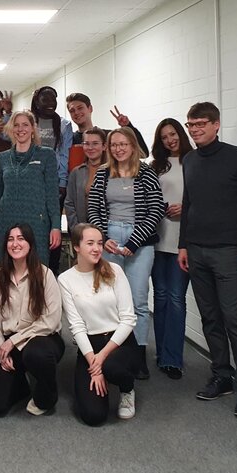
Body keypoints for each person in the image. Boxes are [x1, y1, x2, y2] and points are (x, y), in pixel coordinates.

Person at [177, 101, 237, 418]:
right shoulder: (189, 160)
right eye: (191, 124)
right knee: (210, 318)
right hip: (197, 251)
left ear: (216, 124)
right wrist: (184, 245)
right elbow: (188, 204)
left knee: (234, 319)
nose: (195, 129)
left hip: (229, 252)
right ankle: (222, 376)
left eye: (201, 123)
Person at [87, 127, 164, 379]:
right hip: (109, 239)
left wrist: (133, 242)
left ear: (133, 146)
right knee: (110, 300)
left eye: (123, 144)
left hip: (139, 242)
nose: (118, 149)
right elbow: (94, 209)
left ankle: (138, 356)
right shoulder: (103, 173)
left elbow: (155, 210)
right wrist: (104, 238)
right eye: (114, 145)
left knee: (139, 300)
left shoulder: (147, 173)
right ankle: (113, 351)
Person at [0, 224, 64, 418]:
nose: (15, 244)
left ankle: (47, 396)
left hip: (41, 339)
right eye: (11, 239)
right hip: (8, 345)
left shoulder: (45, 275)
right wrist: (0, 350)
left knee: (36, 354)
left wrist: (13, 341)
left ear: (30, 244)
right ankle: (21, 383)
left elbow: (51, 321)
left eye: (21, 239)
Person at [59, 223, 139, 426]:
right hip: (90, 346)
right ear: (76, 246)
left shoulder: (114, 270)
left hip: (119, 342)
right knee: (93, 416)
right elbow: (76, 326)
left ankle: (127, 388)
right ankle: (103, 372)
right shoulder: (65, 279)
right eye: (90, 243)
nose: (97, 248)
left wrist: (100, 361)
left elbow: (128, 319)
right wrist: (92, 361)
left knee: (111, 366)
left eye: (100, 243)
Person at [150, 118, 194, 380]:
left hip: (183, 242)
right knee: (161, 297)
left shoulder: (193, 161)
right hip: (158, 238)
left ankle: (173, 359)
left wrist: (185, 208)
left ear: (181, 134)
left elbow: (202, 198)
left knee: (177, 298)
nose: (170, 139)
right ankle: (161, 354)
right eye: (164, 136)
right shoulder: (156, 166)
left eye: (173, 134)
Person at [0, 111, 61, 267]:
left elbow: (52, 195)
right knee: (3, 269)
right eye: (16, 125)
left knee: (36, 270)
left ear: (32, 129)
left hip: (36, 222)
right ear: (11, 129)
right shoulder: (2, 158)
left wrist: (56, 226)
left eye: (25, 125)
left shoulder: (46, 155)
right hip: (6, 222)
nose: (20, 129)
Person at [65, 92, 149, 159]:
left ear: (90, 108)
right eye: (72, 110)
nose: (76, 112)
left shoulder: (108, 136)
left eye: (80, 108)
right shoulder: (69, 140)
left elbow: (143, 154)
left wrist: (128, 126)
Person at [64, 126, 106, 230]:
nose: (90, 147)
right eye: (86, 143)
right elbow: (69, 203)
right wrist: (76, 229)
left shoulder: (112, 171)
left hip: (107, 232)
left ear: (104, 146)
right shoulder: (76, 173)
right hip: (81, 230)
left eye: (95, 143)